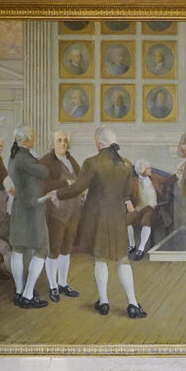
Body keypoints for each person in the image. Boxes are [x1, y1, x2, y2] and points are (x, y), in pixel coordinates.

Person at [56, 126, 147, 318]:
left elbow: (77, 188)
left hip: (96, 217)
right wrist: (127, 201)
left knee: (100, 258)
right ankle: (132, 304)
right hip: (117, 218)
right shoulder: (125, 164)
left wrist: (57, 193)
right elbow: (130, 195)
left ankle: (104, 302)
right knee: (123, 259)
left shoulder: (91, 163)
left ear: (99, 143)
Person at [5, 128, 56, 309]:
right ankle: (27, 295)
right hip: (32, 209)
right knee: (42, 249)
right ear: (26, 140)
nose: (35, 138)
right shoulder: (25, 157)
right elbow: (44, 172)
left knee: (18, 249)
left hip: (20, 206)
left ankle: (19, 292)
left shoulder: (13, 156)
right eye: (32, 136)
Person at [40, 130, 82, 302]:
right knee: (54, 250)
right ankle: (53, 286)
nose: (63, 144)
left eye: (65, 140)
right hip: (56, 212)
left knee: (66, 249)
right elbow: (43, 185)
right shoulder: (46, 162)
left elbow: (80, 180)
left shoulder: (71, 160)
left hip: (73, 211)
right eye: (59, 140)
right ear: (52, 144)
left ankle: (63, 283)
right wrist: (65, 183)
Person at [126, 160, 161, 260]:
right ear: (141, 170)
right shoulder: (133, 181)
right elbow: (125, 194)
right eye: (148, 168)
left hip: (151, 208)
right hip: (138, 208)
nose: (150, 169)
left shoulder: (153, 177)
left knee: (146, 219)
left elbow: (168, 180)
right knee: (127, 218)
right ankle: (132, 245)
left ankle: (141, 248)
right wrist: (128, 202)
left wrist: (178, 174)